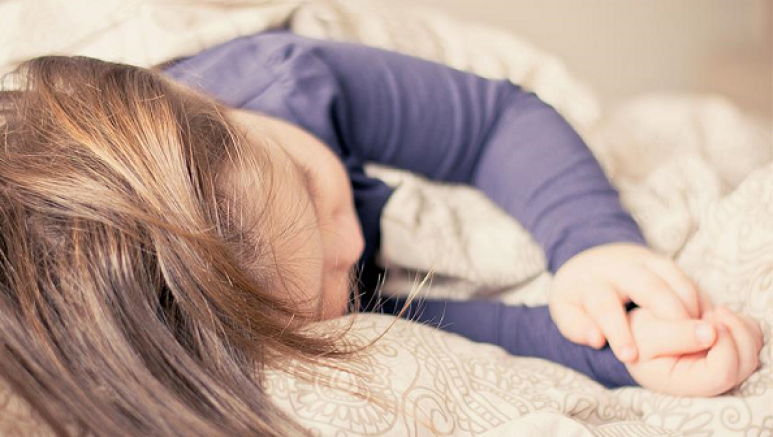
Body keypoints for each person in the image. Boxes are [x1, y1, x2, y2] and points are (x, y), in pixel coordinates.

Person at [0, 29, 761, 436]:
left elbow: (495, 122)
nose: (353, 247)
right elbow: (418, 317)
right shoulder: (231, 331)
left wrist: (593, 244)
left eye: (311, 185)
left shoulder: (280, 80)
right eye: (326, 288)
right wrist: (624, 352)